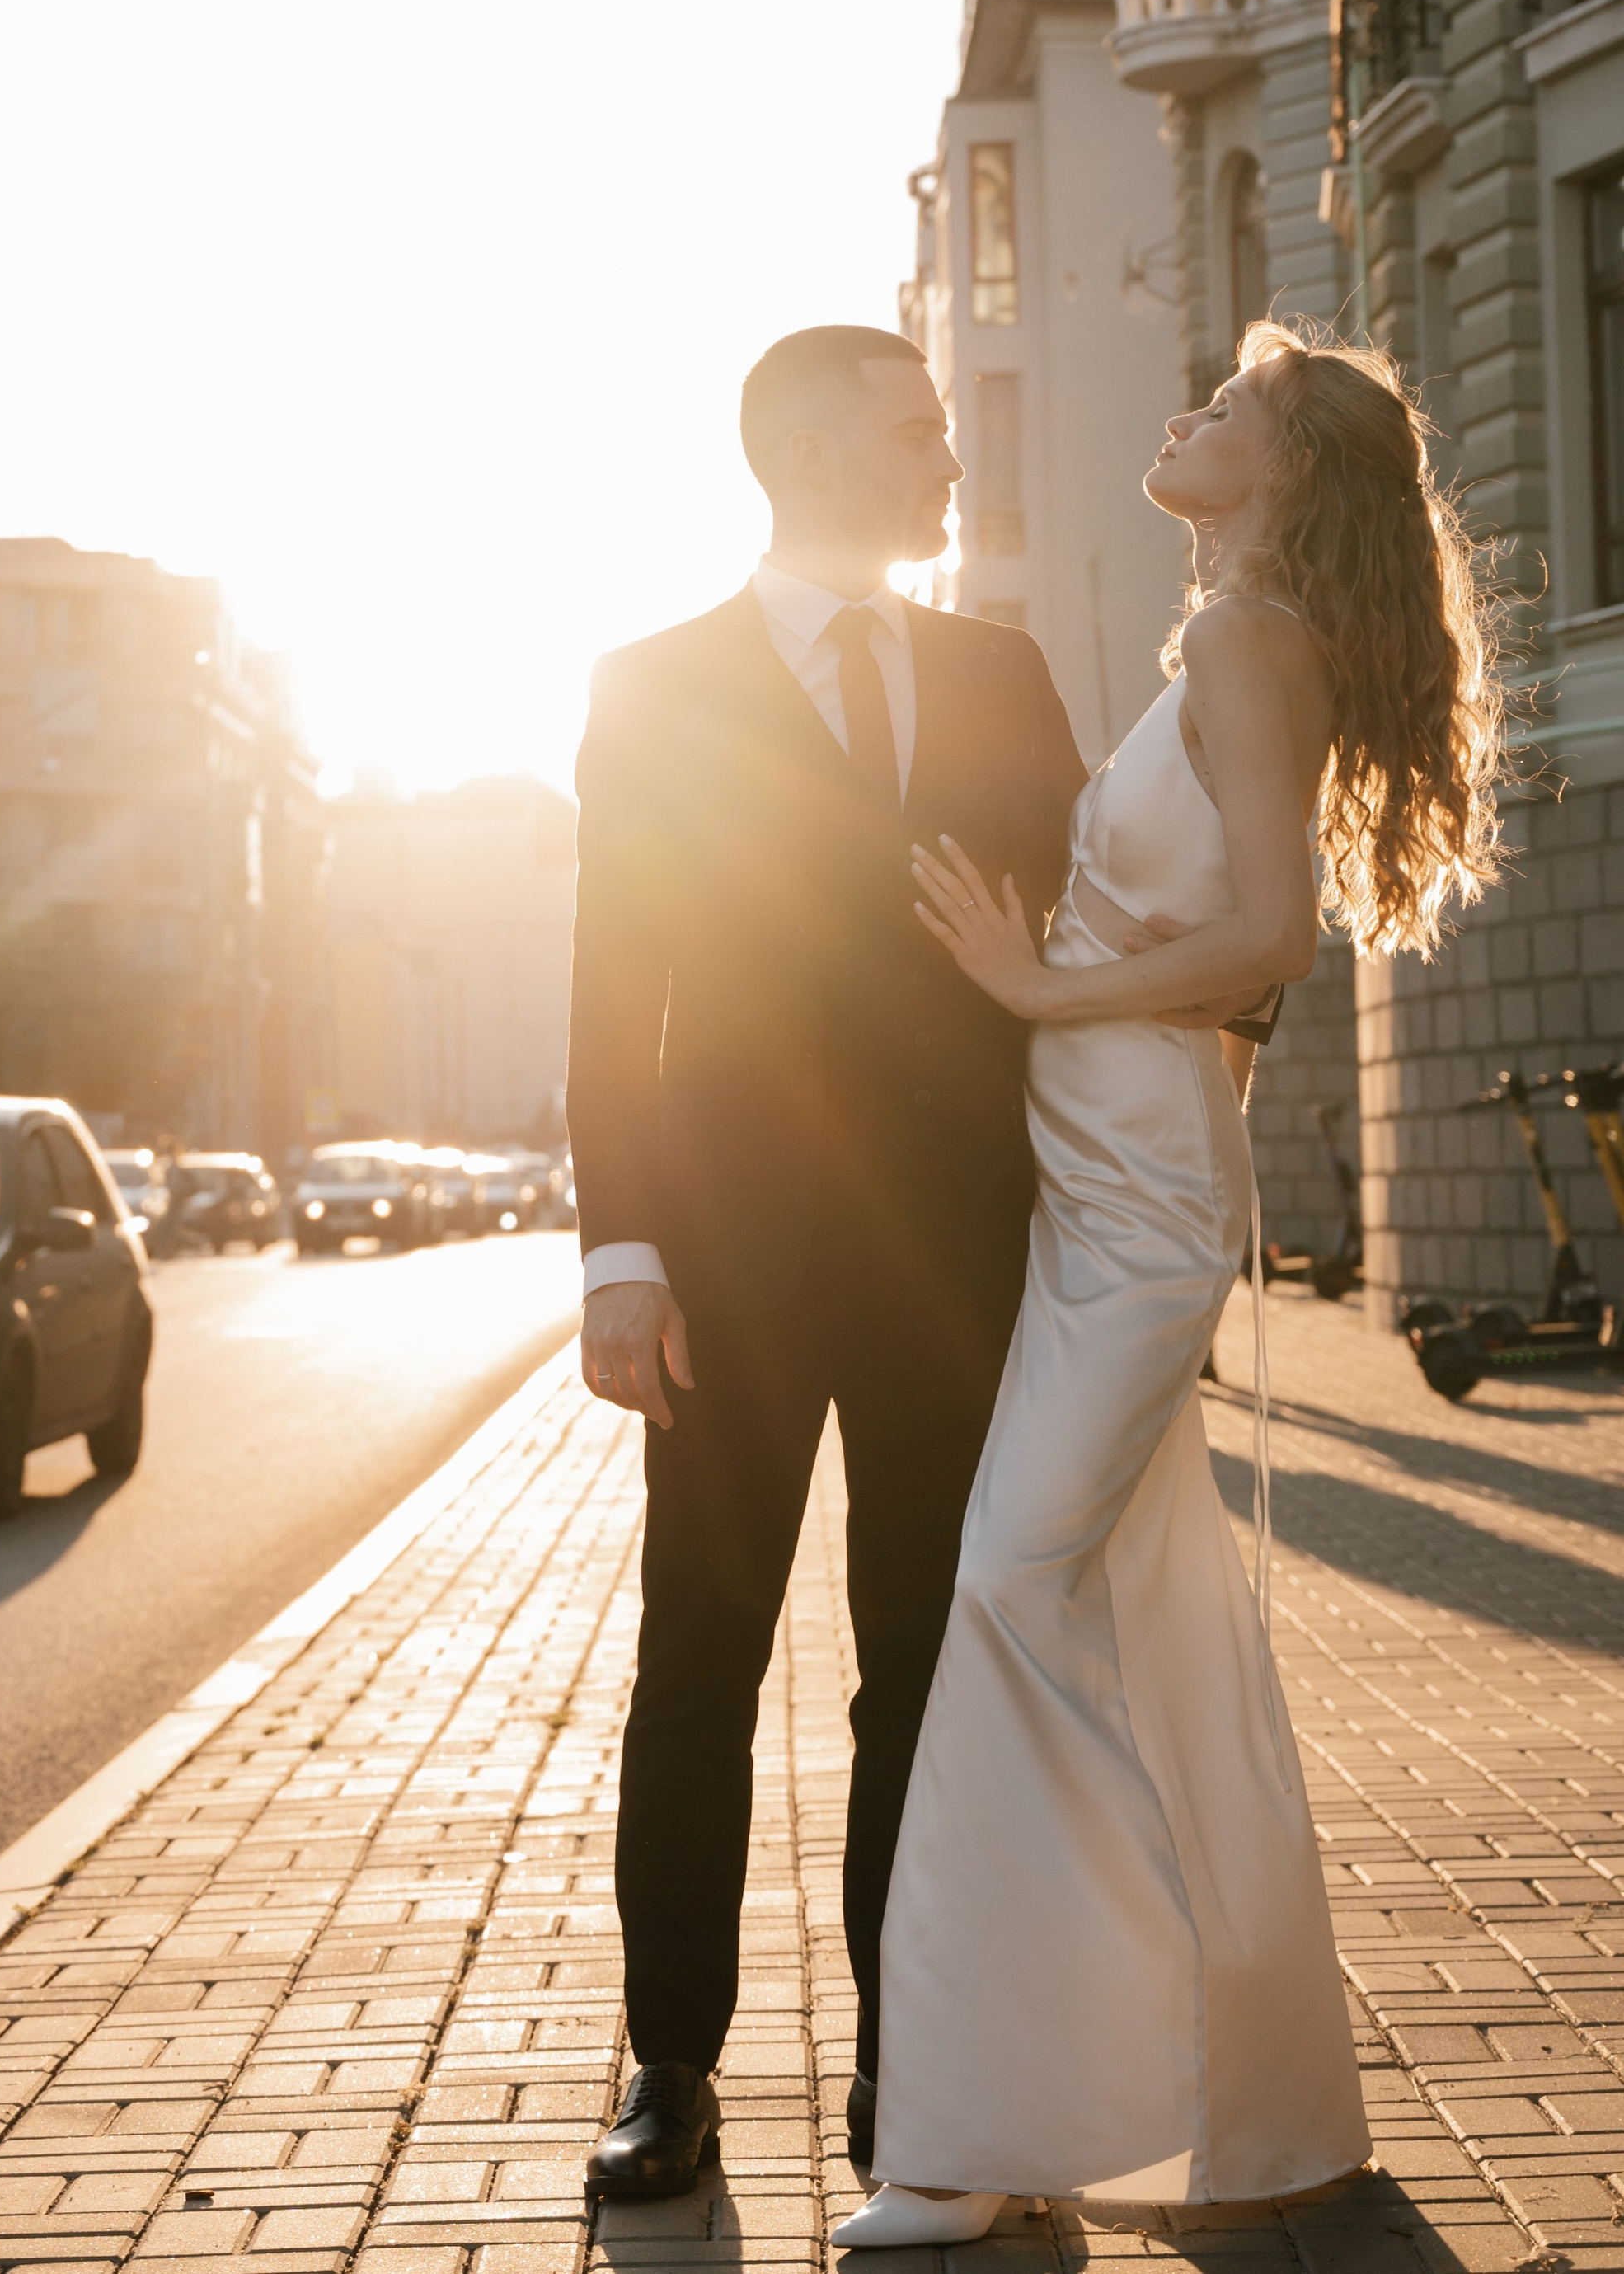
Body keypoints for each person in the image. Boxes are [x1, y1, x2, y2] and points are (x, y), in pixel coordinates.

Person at [570, 325, 1273, 2206]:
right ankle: (672, 2063)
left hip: (958, 1254)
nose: (947, 457)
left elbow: (1092, 916)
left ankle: (921, 2071)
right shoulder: (651, 686)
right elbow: (608, 986)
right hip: (730, 1258)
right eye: (915, 430)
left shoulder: (996, 667)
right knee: (696, 1653)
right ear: (801, 445)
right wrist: (619, 1252)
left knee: (924, 1665)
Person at [837, 325, 1502, 2245]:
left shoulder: (1240, 635)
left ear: (1283, 467)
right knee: (1141, 1602)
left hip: (1129, 1185)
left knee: (1003, 1579)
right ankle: (1196, 2092)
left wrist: (1040, 985)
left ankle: (990, 2122)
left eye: (1220, 408)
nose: (1177, 417)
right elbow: (1235, 950)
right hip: (1104, 1155)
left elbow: (1270, 927)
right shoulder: (1224, 623)